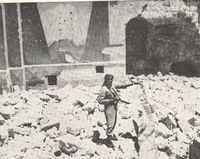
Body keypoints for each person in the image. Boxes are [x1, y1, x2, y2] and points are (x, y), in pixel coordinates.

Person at [97, 74, 140, 147]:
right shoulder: (104, 89)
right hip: (109, 108)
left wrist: (132, 83)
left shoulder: (112, 86)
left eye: (111, 80)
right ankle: (108, 139)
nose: (110, 81)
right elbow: (99, 100)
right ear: (106, 80)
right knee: (110, 123)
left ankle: (110, 136)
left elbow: (122, 85)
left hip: (114, 106)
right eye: (108, 80)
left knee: (114, 122)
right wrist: (110, 100)